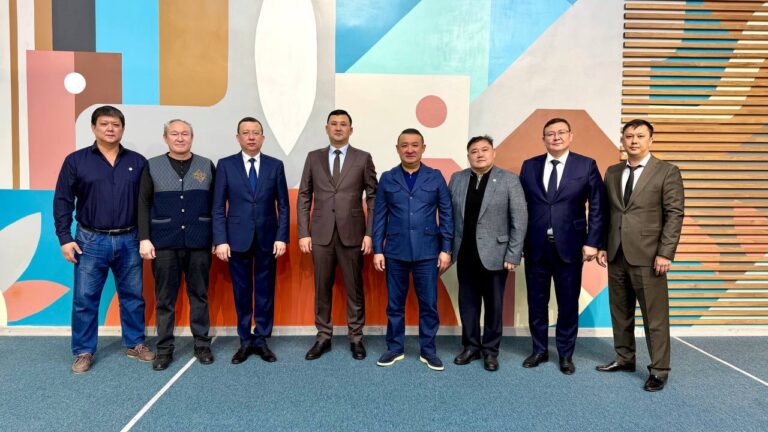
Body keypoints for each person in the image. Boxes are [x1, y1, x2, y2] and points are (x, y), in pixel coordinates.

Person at [54, 105, 155, 374]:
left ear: (122, 129)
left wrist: (145, 237)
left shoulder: (138, 162)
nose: (110, 129)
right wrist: (64, 237)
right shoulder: (76, 161)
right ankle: (83, 351)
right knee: (85, 299)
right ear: (93, 127)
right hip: (90, 240)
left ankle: (135, 343)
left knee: (133, 296)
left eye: (116, 125)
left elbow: (146, 203)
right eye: (104, 124)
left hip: (129, 239)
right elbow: (63, 200)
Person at [596, 119, 684, 392]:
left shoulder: (667, 171)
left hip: (649, 256)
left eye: (640, 136)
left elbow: (674, 214)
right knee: (620, 312)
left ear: (651, 140)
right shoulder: (612, 172)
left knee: (654, 318)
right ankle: (624, 358)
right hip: (616, 253)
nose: (634, 140)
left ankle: (659, 370)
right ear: (622, 140)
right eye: (629, 136)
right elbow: (608, 213)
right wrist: (602, 245)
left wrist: (665, 253)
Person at [518, 117, 606, 375]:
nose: (555, 137)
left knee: (567, 303)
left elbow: (598, 206)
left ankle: (566, 354)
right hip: (535, 246)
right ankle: (539, 350)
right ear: (543, 139)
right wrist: (518, 242)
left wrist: (593, 242)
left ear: (570, 136)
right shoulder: (529, 166)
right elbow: (520, 207)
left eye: (561, 132)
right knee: (536, 302)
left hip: (571, 246)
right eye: (550, 133)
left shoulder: (586, 165)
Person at [297, 109, 378, 361]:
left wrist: (370, 233)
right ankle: (323, 336)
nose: (339, 128)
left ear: (351, 129)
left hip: (353, 234)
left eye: (344, 124)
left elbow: (373, 197)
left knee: (355, 288)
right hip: (320, 234)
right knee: (322, 288)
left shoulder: (363, 158)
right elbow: (304, 195)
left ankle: (356, 338)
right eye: (334, 123)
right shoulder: (313, 157)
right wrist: (303, 232)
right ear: (327, 128)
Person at [372, 128, 453, 371]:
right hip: (395, 251)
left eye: (415, 145)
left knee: (428, 304)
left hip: (428, 252)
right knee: (394, 304)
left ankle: (428, 351)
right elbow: (379, 215)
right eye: (405, 145)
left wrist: (446, 248)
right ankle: (394, 348)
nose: (410, 149)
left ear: (423, 148)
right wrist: (378, 249)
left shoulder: (435, 177)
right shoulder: (388, 178)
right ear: (397, 149)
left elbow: (446, 214)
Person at [138, 119, 215, 371]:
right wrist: (144, 238)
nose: (180, 138)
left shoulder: (207, 165)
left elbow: (216, 205)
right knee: (165, 300)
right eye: (174, 134)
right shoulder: (152, 166)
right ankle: (164, 350)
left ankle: (202, 345)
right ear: (165, 138)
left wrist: (217, 238)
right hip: (164, 243)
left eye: (185, 134)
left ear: (192, 137)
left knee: (199, 296)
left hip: (199, 242)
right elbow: (143, 204)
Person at [212, 117, 289, 364]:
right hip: (236, 239)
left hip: (268, 238)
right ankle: (245, 340)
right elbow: (217, 207)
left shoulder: (275, 165)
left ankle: (262, 339)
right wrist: (221, 240)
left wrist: (281, 237)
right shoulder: (225, 165)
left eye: (256, 132)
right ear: (238, 137)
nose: (251, 137)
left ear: (263, 137)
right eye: (246, 132)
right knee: (241, 291)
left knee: (265, 291)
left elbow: (284, 206)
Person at [448, 135, 527, 372]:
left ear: (494, 153)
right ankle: (471, 346)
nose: (479, 154)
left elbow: (520, 219)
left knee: (494, 306)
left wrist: (513, 254)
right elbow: (450, 216)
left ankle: (491, 351)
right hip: (465, 253)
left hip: (497, 255)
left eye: (484, 149)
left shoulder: (509, 179)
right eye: (474, 151)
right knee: (468, 304)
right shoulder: (457, 178)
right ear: (468, 155)